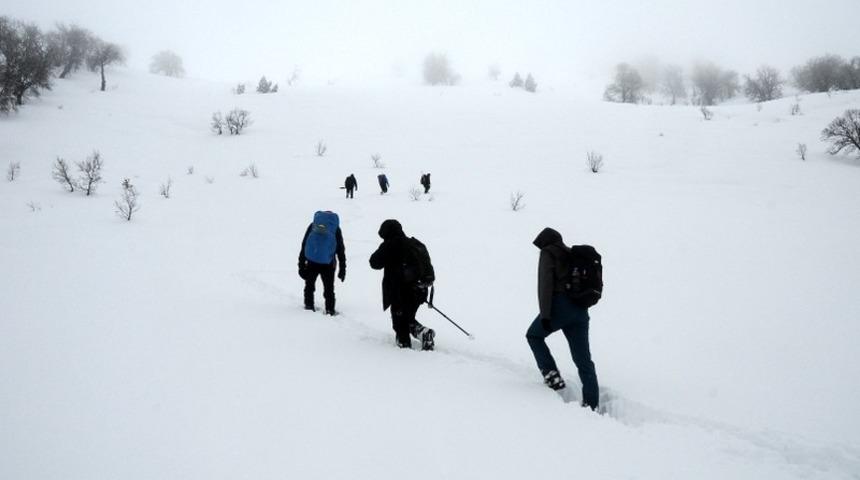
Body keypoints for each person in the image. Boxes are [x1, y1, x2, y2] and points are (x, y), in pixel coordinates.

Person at [525, 227, 599, 410]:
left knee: (534, 336)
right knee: (583, 360)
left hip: (560, 307)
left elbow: (545, 285)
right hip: (580, 310)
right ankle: (592, 404)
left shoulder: (548, 252)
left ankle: (553, 379)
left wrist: (545, 315)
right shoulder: (570, 254)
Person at [369, 219, 436, 350]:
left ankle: (404, 350)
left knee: (399, 324)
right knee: (407, 318)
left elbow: (374, 263)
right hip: (420, 290)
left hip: (400, 292)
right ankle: (423, 334)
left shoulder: (390, 245)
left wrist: (385, 247)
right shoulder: (415, 243)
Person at [298, 211, 346, 315]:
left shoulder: (313, 225)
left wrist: (301, 265)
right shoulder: (335, 228)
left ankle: (309, 305)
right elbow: (340, 249)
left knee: (309, 285)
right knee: (329, 288)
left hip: (312, 261)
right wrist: (343, 269)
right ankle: (330, 309)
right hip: (328, 263)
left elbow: (305, 244)